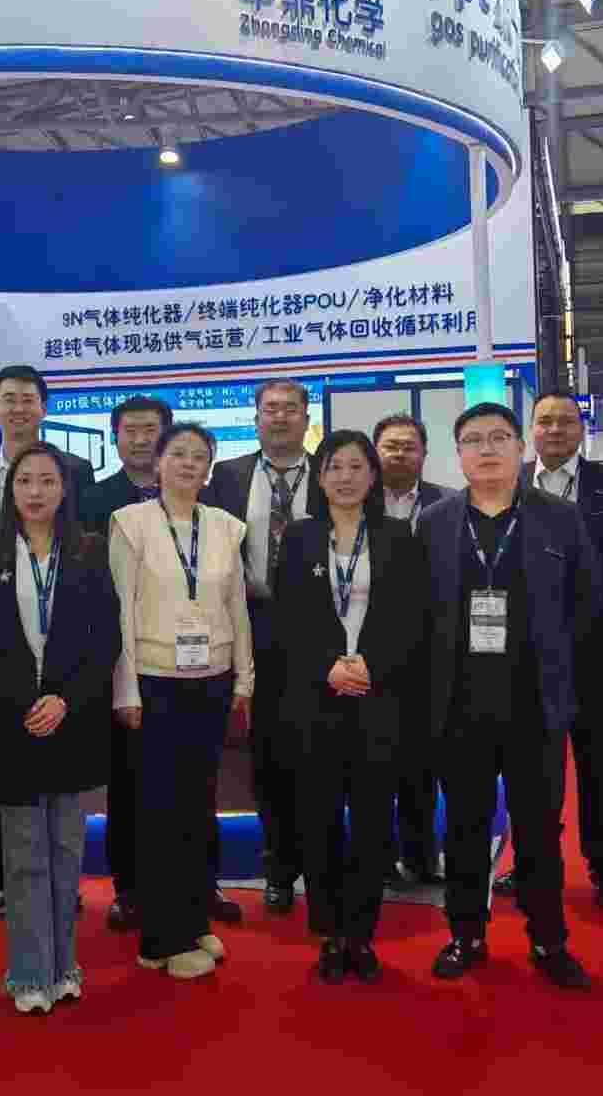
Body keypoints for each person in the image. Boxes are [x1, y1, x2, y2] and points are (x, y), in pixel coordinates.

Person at [419, 403, 602, 990]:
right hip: (459, 705)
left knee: (539, 832)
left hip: (535, 704)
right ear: (458, 455)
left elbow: (588, 603)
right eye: (473, 440)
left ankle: (549, 941)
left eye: (499, 437)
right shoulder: (435, 522)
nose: (487, 449)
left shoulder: (559, 517)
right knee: (464, 829)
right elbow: (420, 617)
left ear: (521, 448)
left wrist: (563, 677)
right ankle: (465, 935)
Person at [0, 443, 120, 1013]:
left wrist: (64, 699)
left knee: (66, 853)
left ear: (64, 489)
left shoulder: (90, 552)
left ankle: (64, 967)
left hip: (72, 719)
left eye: (48, 480)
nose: (36, 491)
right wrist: (27, 700)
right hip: (11, 722)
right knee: (24, 856)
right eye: (25, 481)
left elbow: (105, 639)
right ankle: (28, 974)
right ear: (10, 490)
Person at [275, 430, 427, 984]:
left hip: (377, 700)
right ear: (320, 477)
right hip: (315, 700)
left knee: (370, 822)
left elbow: (413, 618)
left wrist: (372, 666)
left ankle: (360, 934)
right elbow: (286, 619)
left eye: (356, 466)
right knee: (317, 821)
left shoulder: (398, 537)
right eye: (334, 466)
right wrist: (327, 667)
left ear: (372, 476)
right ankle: (329, 932)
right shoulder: (299, 537)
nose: (345, 476)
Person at [109, 422, 254, 980]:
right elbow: (121, 612)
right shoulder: (130, 523)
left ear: (209, 469)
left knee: (197, 808)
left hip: (211, 682)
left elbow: (237, 607)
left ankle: (192, 921)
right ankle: (159, 939)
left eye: (199, 456)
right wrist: (125, 689)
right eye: (179, 454)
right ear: (159, 462)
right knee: (159, 814)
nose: (189, 464)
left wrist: (244, 680)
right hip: (154, 685)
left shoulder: (225, 527)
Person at [491, 392, 603, 912]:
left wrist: (581, 611)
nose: (555, 429)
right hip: (526, 657)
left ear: (581, 428)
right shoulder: (506, 484)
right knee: (531, 769)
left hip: (594, 651)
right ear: (530, 431)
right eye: (545, 421)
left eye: (565, 421)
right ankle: (530, 862)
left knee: (599, 767)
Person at [0, 365, 95, 919]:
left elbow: (85, 563)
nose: (18, 408)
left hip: (59, 655)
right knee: (4, 774)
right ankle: (0, 876)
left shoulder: (76, 470)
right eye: (8, 399)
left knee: (60, 786)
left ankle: (62, 884)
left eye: (28, 399)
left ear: (43, 407)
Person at [202, 379, 325, 915]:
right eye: (269, 409)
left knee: (319, 751)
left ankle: (322, 865)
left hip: (321, 628)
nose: (279, 417)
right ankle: (279, 867)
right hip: (252, 624)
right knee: (268, 753)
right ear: (255, 420)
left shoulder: (331, 472)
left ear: (305, 419)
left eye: (289, 409)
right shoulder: (227, 477)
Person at [79, 395, 175, 934]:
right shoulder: (94, 500)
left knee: (188, 779)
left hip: (185, 661)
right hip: (120, 659)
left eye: (150, 430)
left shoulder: (192, 495)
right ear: (115, 438)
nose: (141, 439)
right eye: (130, 430)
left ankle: (194, 882)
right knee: (128, 780)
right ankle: (130, 888)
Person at [372, 413, 446, 887]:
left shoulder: (448, 504)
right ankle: (379, 858)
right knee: (374, 763)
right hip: (370, 651)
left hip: (429, 653)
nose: (399, 454)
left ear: (423, 454)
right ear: (376, 452)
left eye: (409, 446)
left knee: (423, 764)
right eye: (390, 446)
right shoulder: (355, 503)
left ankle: (421, 856)